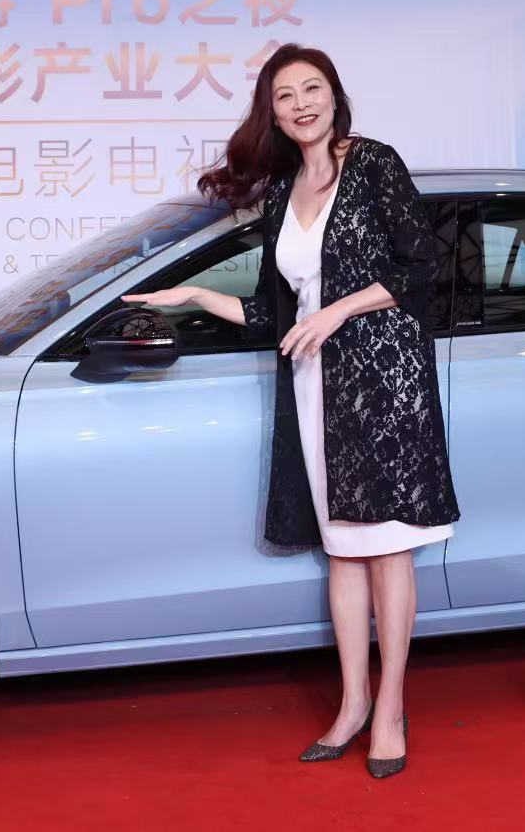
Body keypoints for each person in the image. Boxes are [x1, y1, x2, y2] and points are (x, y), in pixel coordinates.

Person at [124, 42, 460, 779]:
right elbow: (276, 312)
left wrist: (337, 310)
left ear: (335, 95)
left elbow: (421, 269)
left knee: (387, 549)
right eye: (285, 95)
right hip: (314, 384)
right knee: (342, 551)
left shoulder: (372, 163)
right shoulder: (282, 190)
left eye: (312, 88)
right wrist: (194, 296)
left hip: (384, 382)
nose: (301, 103)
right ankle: (352, 704)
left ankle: (391, 710)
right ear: (271, 113)